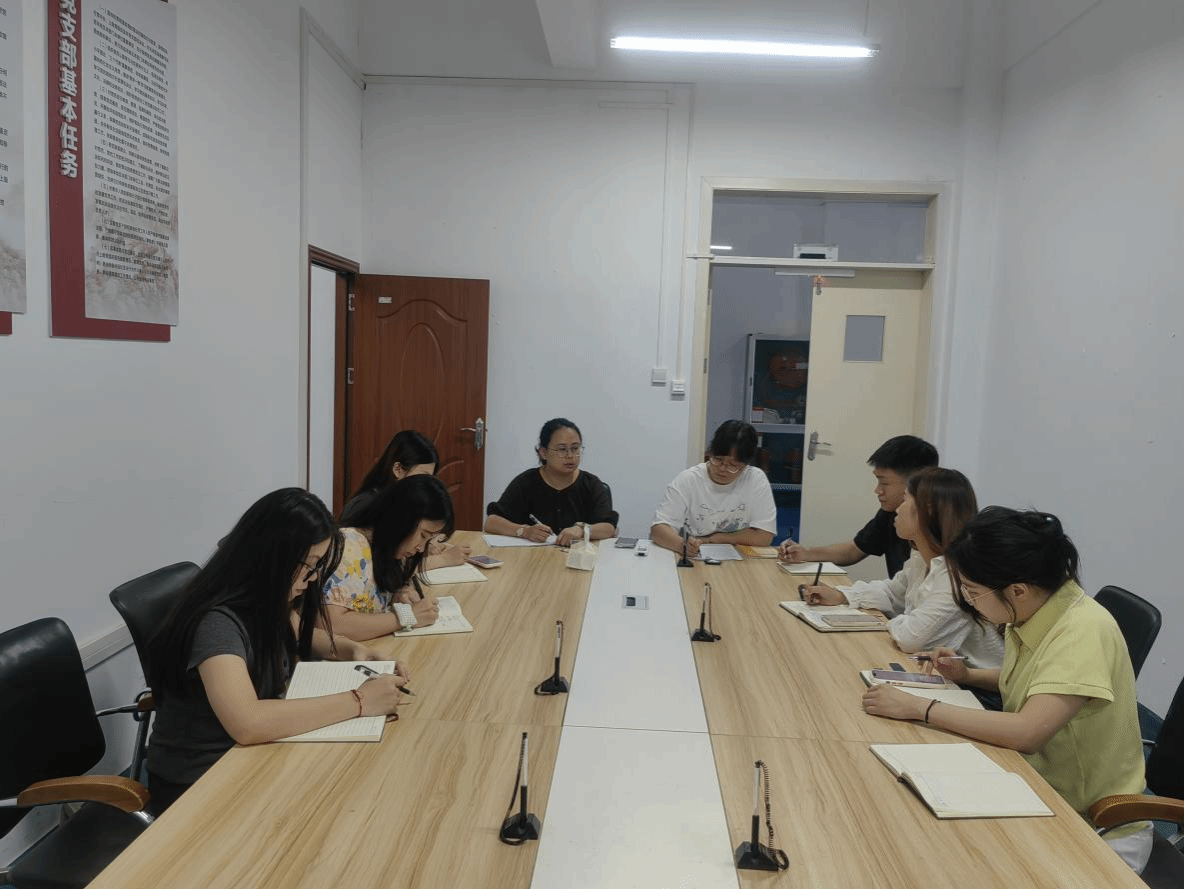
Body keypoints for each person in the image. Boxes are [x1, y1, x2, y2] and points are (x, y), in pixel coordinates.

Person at [861, 507, 1152, 874]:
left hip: (1094, 827)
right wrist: (967, 675)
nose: (969, 600)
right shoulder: (1036, 609)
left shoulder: (1083, 631)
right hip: (1038, 788)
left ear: (1017, 590)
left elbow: (1026, 732)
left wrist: (921, 707)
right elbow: (1037, 680)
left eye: (972, 591)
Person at [146, 488, 408, 814]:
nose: (313, 578)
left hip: (247, 761)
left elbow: (300, 631)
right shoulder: (217, 623)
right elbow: (248, 723)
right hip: (199, 786)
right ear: (273, 557)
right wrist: (359, 701)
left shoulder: (265, 599)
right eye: (309, 565)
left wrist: (355, 651)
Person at [800, 468, 1003, 674]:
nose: (897, 509)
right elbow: (892, 593)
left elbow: (910, 638)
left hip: (974, 684)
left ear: (927, 511)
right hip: (941, 671)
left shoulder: (955, 573)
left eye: (905, 500)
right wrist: (842, 595)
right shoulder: (921, 558)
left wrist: (888, 619)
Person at [779, 434, 938, 578]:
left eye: (884, 483)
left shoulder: (939, 530)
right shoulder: (890, 513)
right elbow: (853, 550)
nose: (877, 490)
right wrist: (805, 553)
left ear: (917, 483)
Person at [322, 474, 453, 641]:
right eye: (422, 535)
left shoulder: (390, 551)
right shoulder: (350, 546)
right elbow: (331, 624)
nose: (421, 548)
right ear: (401, 520)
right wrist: (405, 618)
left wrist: (398, 594)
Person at [341, 429, 471, 568]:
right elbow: (379, 567)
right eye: (421, 476)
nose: (426, 484)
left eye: (431, 477)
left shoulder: (402, 506)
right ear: (398, 469)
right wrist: (443, 560)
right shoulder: (367, 506)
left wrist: (424, 542)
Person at [484, 418, 618, 546]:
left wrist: (582, 530)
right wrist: (524, 531)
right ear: (543, 453)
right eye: (562, 449)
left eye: (575, 448)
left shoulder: (591, 484)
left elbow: (609, 528)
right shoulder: (526, 482)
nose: (570, 456)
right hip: (535, 557)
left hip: (579, 557)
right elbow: (491, 522)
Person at [651, 420, 776, 557]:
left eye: (733, 465)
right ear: (709, 452)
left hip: (740, 558)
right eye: (717, 459)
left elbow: (764, 536)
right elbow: (658, 529)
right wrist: (682, 545)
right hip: (696, 556)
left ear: (745, 465)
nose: (723, 469)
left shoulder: (755, 479)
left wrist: (718, 539)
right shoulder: (689, 479)